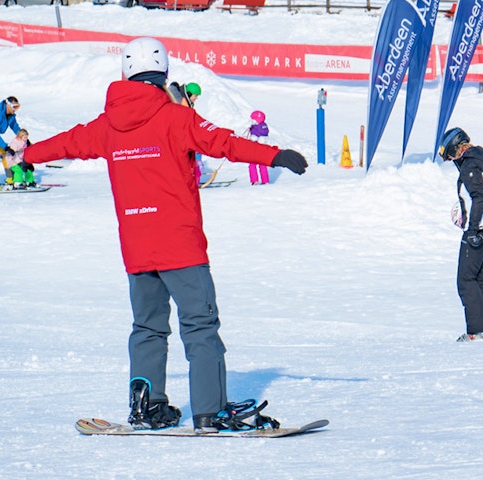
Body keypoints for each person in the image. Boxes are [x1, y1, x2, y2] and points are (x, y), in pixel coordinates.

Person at [22, 37, 309, 433]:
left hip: (137, 247)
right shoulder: (178, 118)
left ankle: (148, 406)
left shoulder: (107, 126)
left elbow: (69, 142)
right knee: (200, 325)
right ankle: (209, 411)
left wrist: (29, 154)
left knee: (147, 328)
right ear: (165, 74)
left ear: (124, 74)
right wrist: (273, 155)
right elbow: (223, 142)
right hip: (180, 244)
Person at [439, 127, 483, 342]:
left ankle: (478, 331)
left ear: (457, 148)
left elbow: (479, 198)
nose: (452, 160)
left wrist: (473, 230)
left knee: (466, 280)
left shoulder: (470, 164)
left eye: (450, 155)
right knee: (480, 280)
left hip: (479, 232)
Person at [247, 110, 271, 185]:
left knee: (253, 164)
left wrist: (253, 137)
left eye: (253, 119)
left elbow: (257, 136)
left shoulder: (260, 127)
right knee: (260, 165)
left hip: (256, 148)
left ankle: (256, 181)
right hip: (259, 149)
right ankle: (263, 180)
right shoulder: (261, 126)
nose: (251, 121)